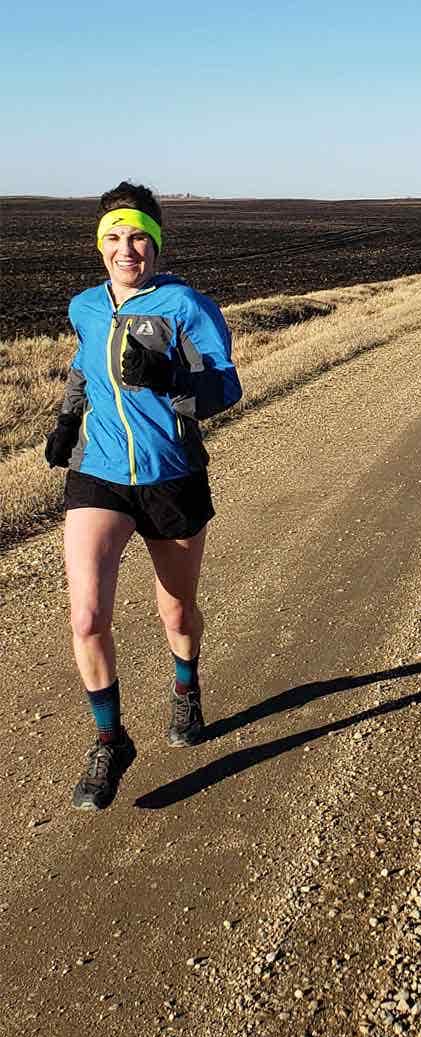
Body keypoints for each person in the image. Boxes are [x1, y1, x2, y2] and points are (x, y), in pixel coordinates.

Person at [44, 180, 242, 811]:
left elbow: (225, 388)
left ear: (155, 245)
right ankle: (110, 739)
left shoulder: (187, 306)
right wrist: (67, 421)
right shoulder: (85, 306)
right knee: (86, 617)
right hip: (98, 474)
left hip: (170, 475)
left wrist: (169, 378)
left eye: (137, 237)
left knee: (177, 612)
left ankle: (186, 687)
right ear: (99, 245)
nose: (125, 249)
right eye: (113, 237)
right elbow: (83, 366)